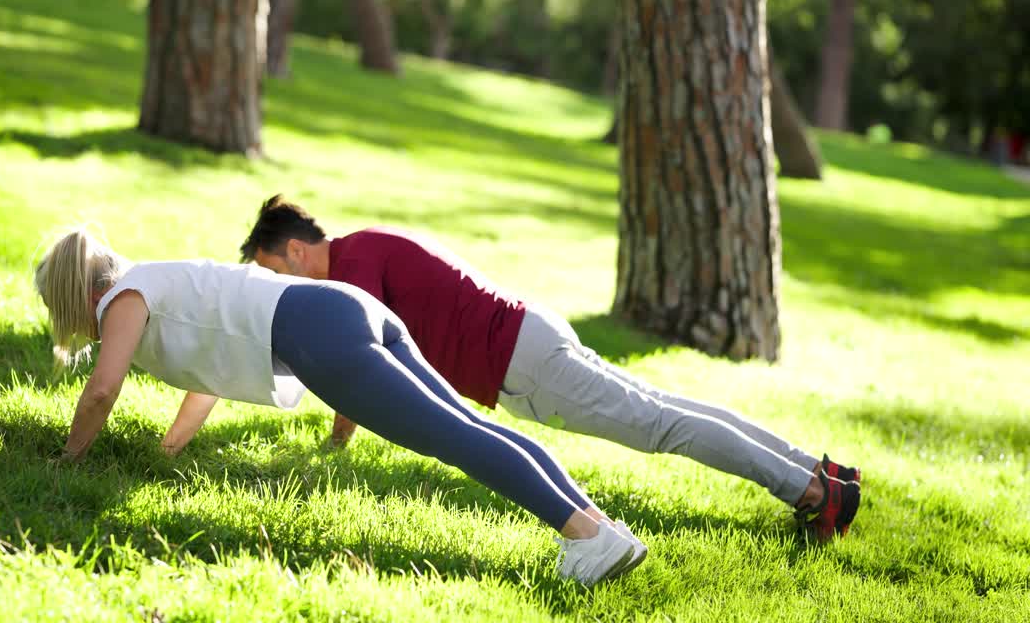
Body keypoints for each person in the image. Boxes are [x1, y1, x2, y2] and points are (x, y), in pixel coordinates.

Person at [34, 229, 646, 586]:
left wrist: (69, 459)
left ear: (76, 296)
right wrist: (168, 450)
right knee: (464, 425)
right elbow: (208, 379)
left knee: (449, 437)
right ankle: (599, 529)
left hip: (318, 333)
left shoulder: (124, 298)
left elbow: (101, 391)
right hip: (347, 307)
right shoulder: (161, 283)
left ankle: (584, 534)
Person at [239, 195, 862, 542]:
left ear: (294, 250)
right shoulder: (365, 247)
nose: (278, 284)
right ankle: (816, 469)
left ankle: (813, 493)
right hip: (529, 336)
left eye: (273, 270)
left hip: (523, 362)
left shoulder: (350, 270)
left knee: (661, 426)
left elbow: (361, 370)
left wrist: (336, 440)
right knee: (667, 409)